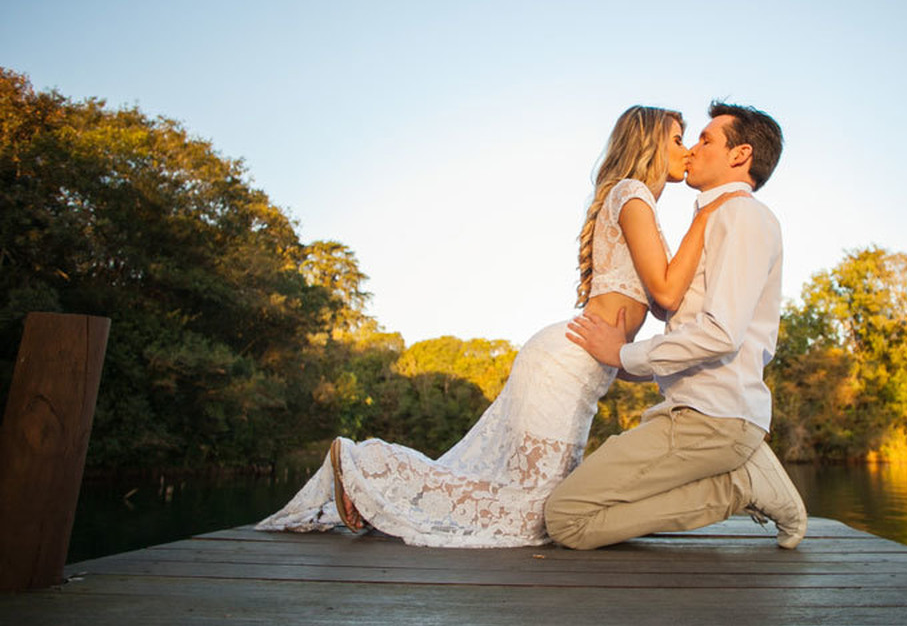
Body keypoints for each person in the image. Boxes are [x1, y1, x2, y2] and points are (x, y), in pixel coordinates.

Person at [255, 105, 745, 547]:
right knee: (534, 514)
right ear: (648, 145)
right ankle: (363, 464)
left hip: (582, 369)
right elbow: (665, 291)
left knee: (537, 506)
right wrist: (708, 217)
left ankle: (372, 490)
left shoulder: (640, 206)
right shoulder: (632, 193)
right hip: (564, 363)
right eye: (678, 139)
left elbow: (658, 307)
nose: (687, 150)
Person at [545, 102, 807, 550]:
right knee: (577, 511)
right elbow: (680, 315)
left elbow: (720, 334)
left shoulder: (743, 216)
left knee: (567, 519)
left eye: (705, 140)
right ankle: (742, 473)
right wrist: (625, 363)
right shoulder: (716, 218)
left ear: (740, 155)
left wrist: (622, 354)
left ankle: (738, 485)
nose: (692, 150)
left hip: (712, 417)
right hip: (697, 412)